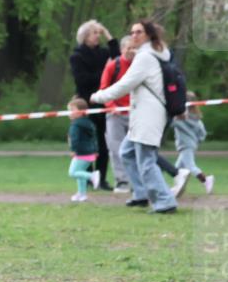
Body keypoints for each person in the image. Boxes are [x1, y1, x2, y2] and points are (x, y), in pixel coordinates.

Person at [90, 20, 177, 214]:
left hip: (148, 116)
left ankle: (165, 201)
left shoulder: (145, 57)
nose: (134, 35)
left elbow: (125, 85)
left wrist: (98, 96)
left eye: (139, 32)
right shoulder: (152, 54)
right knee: (127, 152)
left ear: (148, 35)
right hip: (142, 116)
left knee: (146, 161)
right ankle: (141, 193)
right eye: (132, 32)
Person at [70, 20, 119, 190]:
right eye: (94, 33)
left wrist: (107, 33)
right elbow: (82, 80)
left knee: (103, 143)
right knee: (86, 142)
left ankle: (102, 178)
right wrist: (104, 72)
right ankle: (88, 177)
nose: (97, 36)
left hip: (103, 102)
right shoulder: (77, 56)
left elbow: (117, 57)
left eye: (99, 33)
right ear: (85, 36)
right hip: (86, 103)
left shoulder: (103, 53)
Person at [99, 35, 134, 193]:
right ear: (122, 49)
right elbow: (104, 89)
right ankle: (122, 181)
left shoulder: (140, 65)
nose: (131, 51)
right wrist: (112, 106)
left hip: (135, 112)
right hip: (115, 114)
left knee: (137, 148)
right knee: (116, 148)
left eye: (134, 48)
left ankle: (138, 181)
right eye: (128, 48)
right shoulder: (113, 66)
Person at [170, 92, 213, 198]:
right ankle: (178, 188)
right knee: (178, 168)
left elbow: (170, 123)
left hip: (185, 145)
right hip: (192, 145)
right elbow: (202, 133)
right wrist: (196, 141)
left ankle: (206, 180)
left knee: (190, 166)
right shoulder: (197, 119)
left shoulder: (178, 118)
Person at [66, 98, 101, 202]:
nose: (69, 112)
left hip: (81, 153)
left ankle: (92, 176)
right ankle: (82, 194)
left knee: (73, 173)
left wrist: (73, 150)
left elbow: (74, 139)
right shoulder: (88, 123)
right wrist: (96, 150)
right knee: (80, 173)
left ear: (81, 111)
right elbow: (94, 138)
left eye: (72, 109)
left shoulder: (76, 125)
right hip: (90, 154)